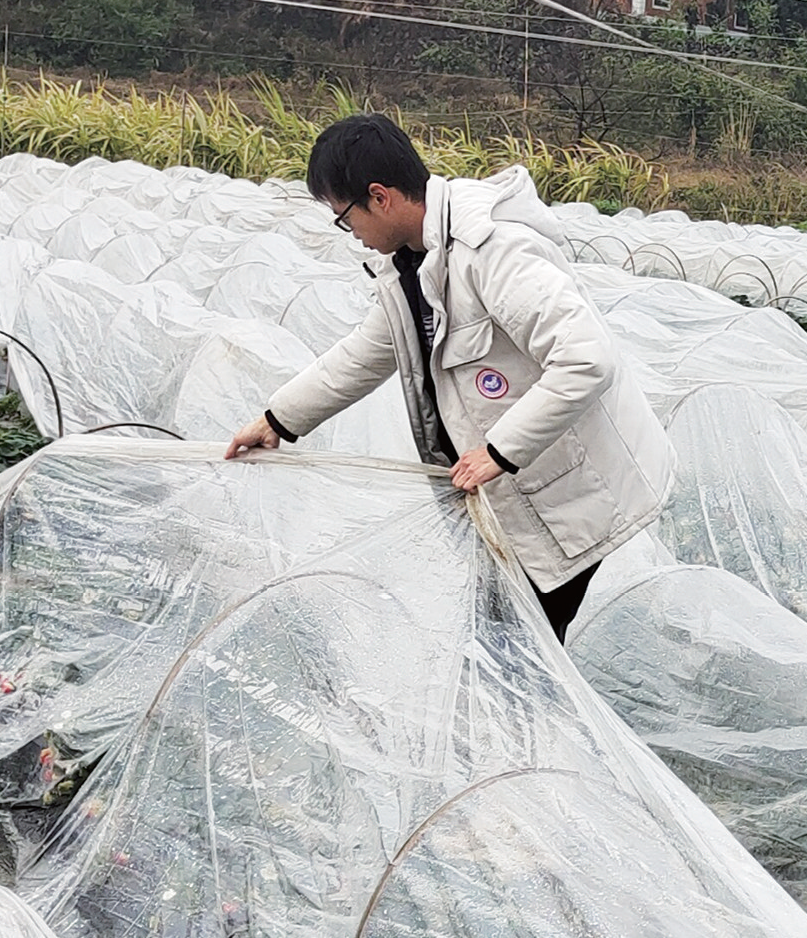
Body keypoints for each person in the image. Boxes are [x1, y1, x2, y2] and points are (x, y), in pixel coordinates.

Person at [227, 115, 673, 640]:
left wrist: (498, 451)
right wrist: (279, 418)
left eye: (345, 218)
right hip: (513, 488)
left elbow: (586, 359)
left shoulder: (492, 250)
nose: (352, 234)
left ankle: (518, 723)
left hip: (569, 489)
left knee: (515, 651)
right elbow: (366, 353)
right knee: (506, 644)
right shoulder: (410, 263)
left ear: (380, 197)